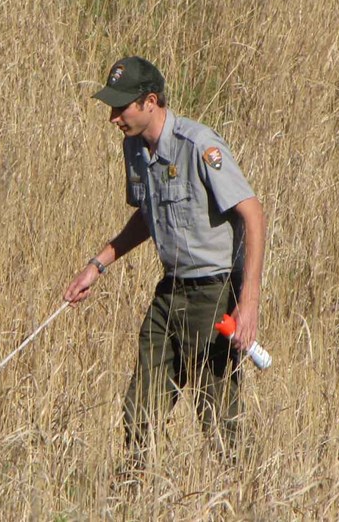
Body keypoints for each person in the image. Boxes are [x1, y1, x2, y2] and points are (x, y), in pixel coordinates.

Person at [62, 56, 266, 472]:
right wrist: (98, 265)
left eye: (121, 107)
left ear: (150, 101)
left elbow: (252, 212)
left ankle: (242, 495)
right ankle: (131, 495)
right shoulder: (134, 149)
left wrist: (249, 301)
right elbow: (147, 214)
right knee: (140, 408)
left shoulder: (198, 145)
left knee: (219, 415)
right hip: (170, 290)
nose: (113, 117)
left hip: (213, 293)